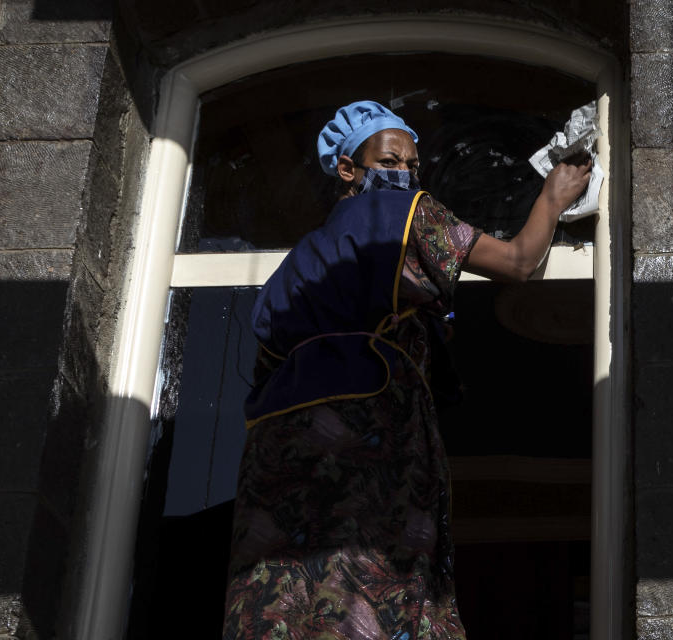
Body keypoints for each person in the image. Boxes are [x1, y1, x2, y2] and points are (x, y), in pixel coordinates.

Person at [222, 101, 591, 640]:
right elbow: (518, 261)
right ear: (347, 168)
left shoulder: (298, 261)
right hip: (372, 435)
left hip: (276, 455)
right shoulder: (405, 212)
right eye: (392, 159)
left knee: (286, 598)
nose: (407, 174)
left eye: (414, 165)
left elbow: (266, 359)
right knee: (378, 585)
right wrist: (552, 198)